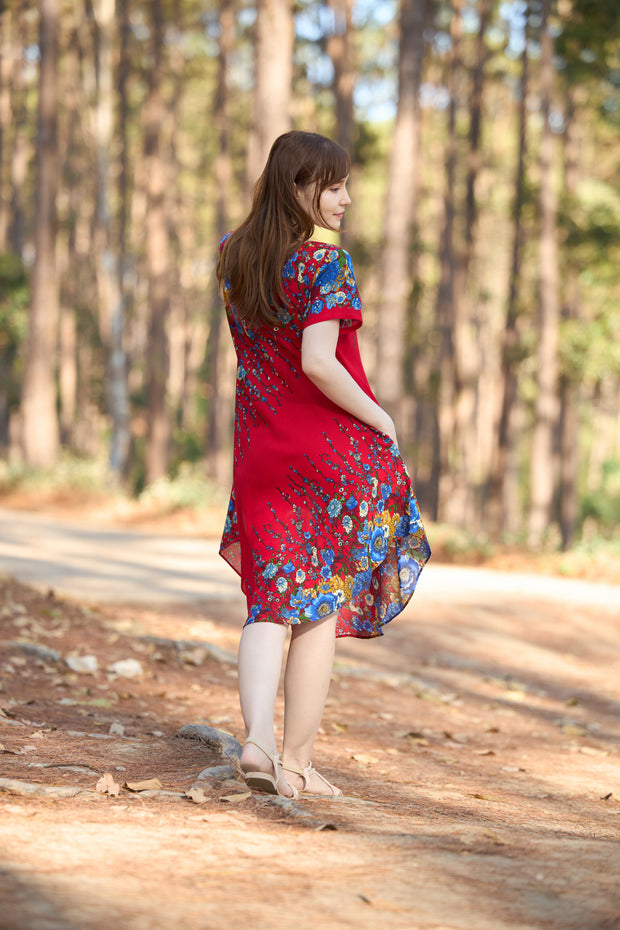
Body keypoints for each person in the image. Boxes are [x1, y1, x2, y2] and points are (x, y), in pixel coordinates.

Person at [216, 130, 430, 799]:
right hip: (321, 455)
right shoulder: (324, 265)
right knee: (316, 612)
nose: (344, 199)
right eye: (333, 185)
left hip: (259, 450)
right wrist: (380, 416)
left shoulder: (233, 256)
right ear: (299, 186)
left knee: (267, 605)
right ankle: (298, 766)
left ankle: (256, 743)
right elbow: (317, 362)